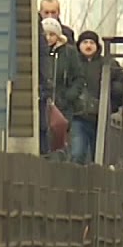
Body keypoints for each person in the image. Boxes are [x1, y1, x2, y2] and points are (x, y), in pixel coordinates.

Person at [69, 31, 123, 165]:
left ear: (97, 46)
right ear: (79, 45)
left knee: (99, 157)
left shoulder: (108, 64)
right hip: (78, 115)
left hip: (100, 117)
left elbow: (121, 86)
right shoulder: (73, 64)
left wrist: (112, 104)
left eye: (91, 42)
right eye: (85, 42)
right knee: (77, 154)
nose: (88, 45)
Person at [41, 17, 84, 157]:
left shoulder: (69, 53)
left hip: (63, 106)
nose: (48, 38)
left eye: (52, 34)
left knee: (61, 141)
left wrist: (68, 96)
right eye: (45, 34)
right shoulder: (38, 53)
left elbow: (78, 77)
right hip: (42, 102)